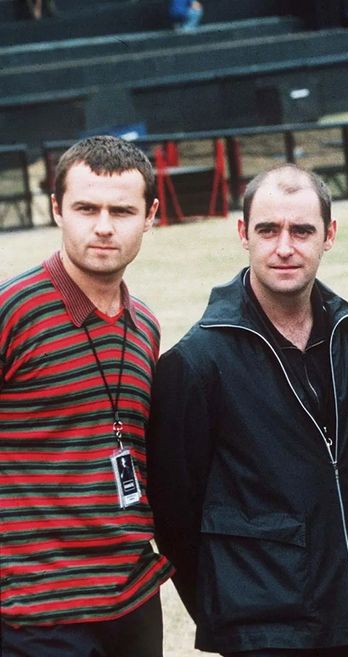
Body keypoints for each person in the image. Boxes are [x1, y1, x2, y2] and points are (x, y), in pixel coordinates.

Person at [147, 164, 348, 657]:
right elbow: (175, 514)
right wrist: (234, 605)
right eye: (268, 230)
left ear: (329, 235)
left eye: (302, 230)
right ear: (244, 234)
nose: (285, 247)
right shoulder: (196, 362)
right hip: (262, 630)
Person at [0, 135, 171, 656]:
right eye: (85, 208)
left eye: (121, 210)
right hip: (36, 612)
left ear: (150, 216)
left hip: (133, 598)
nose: (102, 226)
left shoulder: (144, 325)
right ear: (56, 209)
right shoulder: (13, 311)